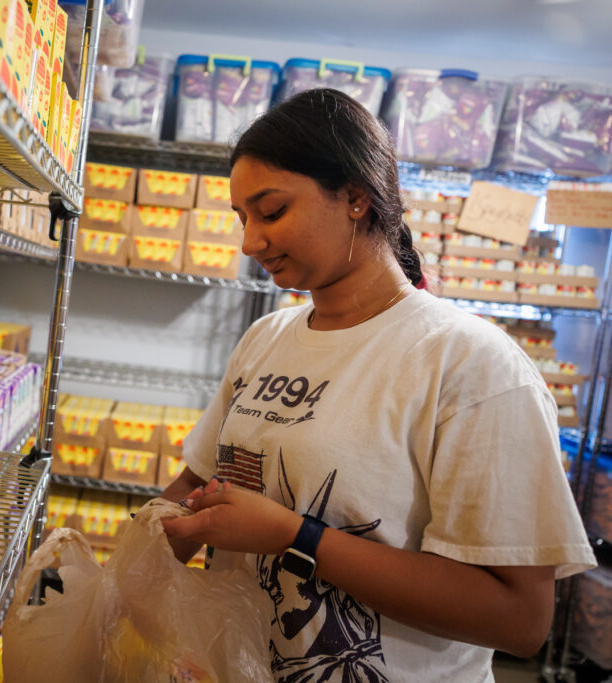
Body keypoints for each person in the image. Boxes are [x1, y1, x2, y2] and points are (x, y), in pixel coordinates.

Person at [159, 88, 596, 682]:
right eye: (241, 218)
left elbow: (519, 618)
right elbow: (196, 484)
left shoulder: (472, 364)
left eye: (271, 211)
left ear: (356, 199)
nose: (249, 242)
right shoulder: (267, 338)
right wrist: (118, 571)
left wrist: (297, 535)